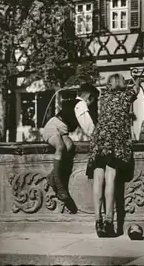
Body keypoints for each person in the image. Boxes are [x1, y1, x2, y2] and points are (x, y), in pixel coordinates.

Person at [86, 73, 140, 237]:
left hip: (99, 137)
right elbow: (137, 89)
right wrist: (137, 78)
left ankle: (98, 221)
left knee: (98, 178)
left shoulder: (104, 96)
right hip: (116, 138)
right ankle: (109, 221)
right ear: (123, 84)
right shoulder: (126, 95)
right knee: (111, 179)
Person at [42, 82, 99, 212]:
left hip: (63, 131)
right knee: (60, 147)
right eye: (93, 100)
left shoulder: (76, 103)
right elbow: (87, 125)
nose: (93, 104)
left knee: (69, 146)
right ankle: (59, 184)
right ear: (89, 97)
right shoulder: (80, 104)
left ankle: (51, 176)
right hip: (52, 128)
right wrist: (96, 137)